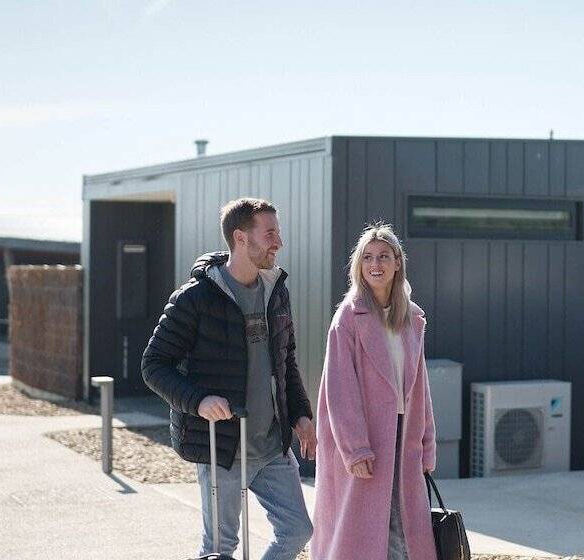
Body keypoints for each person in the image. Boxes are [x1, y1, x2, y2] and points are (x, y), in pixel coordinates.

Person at [141, 197, 315, 560]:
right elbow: (154, 365)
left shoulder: (276, 291)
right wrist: (199, 401)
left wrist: (301, 414)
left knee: (298, 530)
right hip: (222, 448)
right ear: (240, 238)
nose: (279, 242)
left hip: (271, 445)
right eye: (269, 234)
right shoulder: (195, 298)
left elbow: (286, 361)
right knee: (220, 549)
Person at [311, 223, 438, 560]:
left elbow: (420, 389)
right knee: (364, 533)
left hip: (404, 437)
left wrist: (426, 446)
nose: (375, 264)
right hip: (364, 439)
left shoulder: (412, 317)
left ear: (397, 262)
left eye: (383, 256)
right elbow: (339, 389)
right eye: (367, 257)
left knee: (403, 527)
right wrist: (355, 449)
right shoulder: (348, 318)